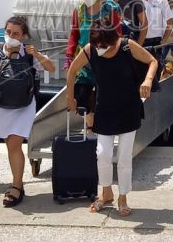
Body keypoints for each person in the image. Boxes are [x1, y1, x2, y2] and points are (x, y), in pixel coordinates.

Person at [65, 20, 157, 217]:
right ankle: (106, 192)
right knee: (103, 153)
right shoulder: (91, 50)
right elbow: (72, 70)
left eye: (104, 46)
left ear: (114, 40)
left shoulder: (126, 46)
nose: (101, 49)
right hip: (105, 108)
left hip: (129, 108)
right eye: (97, 45)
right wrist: (70, 97)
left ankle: (122, 196)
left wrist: (148, 80)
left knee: (124, 157)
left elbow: (152, 61)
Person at [0, 16, 55, 207]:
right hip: (3, 104)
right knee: (9, 144)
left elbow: (51, 68)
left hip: (24, 105)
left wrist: (37, 55)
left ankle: (16, 186)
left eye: (15, 33)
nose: (11, 36)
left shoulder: (29, 54)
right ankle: (19, 184)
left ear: (23, 36)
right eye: (8, 32)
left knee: (14, 142)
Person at [65, 0, 122, 129]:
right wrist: (69, 56)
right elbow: (74, 35)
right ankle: (91, 125)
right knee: (81, 97)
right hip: (85, 60)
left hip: (106, 57)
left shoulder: (108, 10)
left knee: (103, 98)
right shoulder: (79, 11)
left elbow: (118, 34)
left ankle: (99, 128)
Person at [140, 0, 173, 90]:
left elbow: (170, 23)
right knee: (140, 72)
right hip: (139, 41)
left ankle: (153, 101)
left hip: (156, 42)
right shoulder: (135, 0)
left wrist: (163, 41)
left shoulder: (161, 1)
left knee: (155, 74)